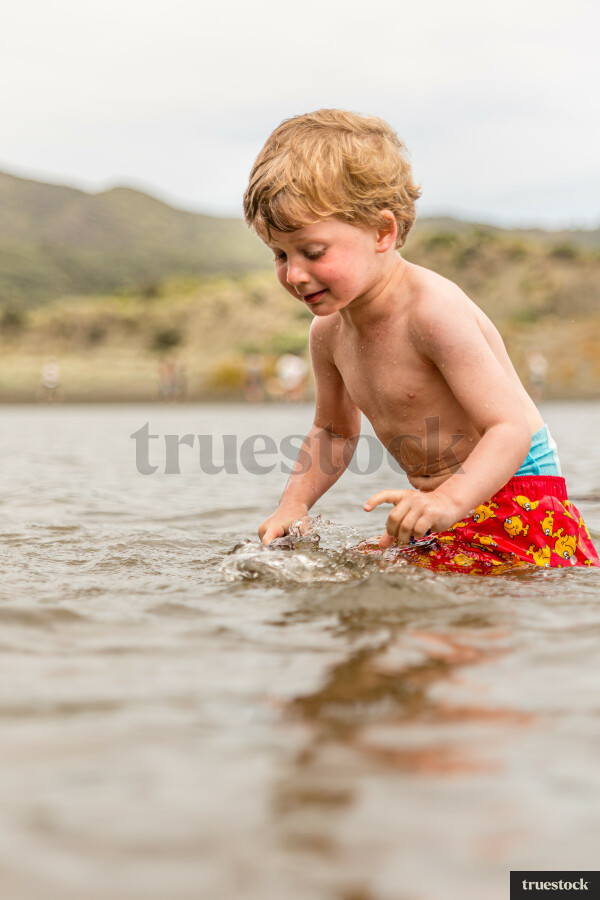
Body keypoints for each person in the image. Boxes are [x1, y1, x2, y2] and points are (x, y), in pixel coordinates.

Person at [243, 109, 598, 573]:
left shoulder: (432, 311)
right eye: (279, 254)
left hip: (518, 496)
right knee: (356, 580)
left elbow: (510, 428)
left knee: (423, 613)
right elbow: (334, 432)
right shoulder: (327, 333)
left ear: (383, 231)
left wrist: (449, 500)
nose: (294, 274)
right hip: (446, 505)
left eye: (312, 252)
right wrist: (292, 506)